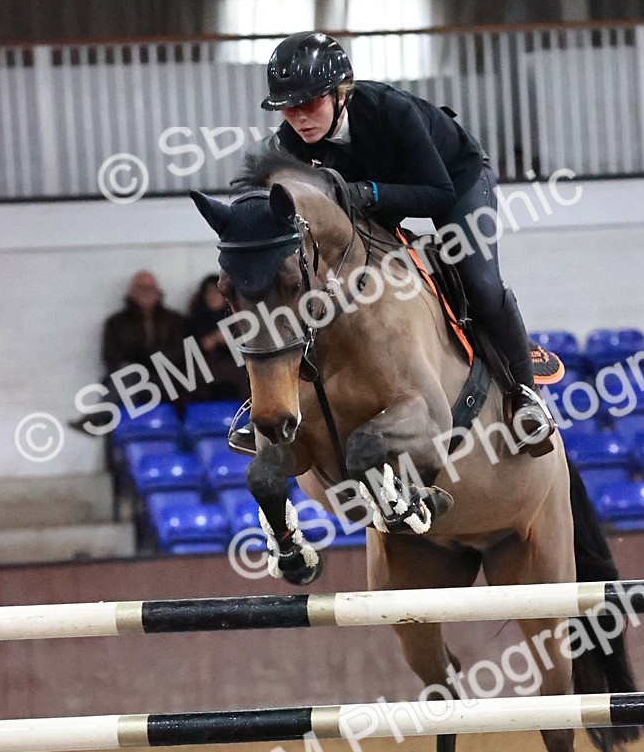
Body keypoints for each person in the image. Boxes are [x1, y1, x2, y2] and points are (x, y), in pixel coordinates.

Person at [246, 30, 560, 450]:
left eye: (309, 103)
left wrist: (368, 193)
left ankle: (525, 396)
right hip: (380, 200)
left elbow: (438, 194)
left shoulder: (390, 111)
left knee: (480, 282)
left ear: (341, 93)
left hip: (455, 180)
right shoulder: (290, 145)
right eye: (287, 109)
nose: (299, 117)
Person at [69, 271, 190, 433]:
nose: (146, 291)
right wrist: (138, 360)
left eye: (150, 287)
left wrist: (148, 356)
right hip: (130, 379)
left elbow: (180, 354)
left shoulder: (175, 320)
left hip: (165, 381)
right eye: (141, 287)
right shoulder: (115, 323)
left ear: (158, 291)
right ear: (131, 291)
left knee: (124, 383)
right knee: (126, 376)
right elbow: (111, 358)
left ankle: (101, 416)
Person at [186, 273, 249, 402]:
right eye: (209, 292)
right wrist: (213, 340)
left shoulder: (239, 320)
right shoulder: (194, 320)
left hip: (236, 368)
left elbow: (248, 349)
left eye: (217, 292)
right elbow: (190, 351)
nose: (213, 296)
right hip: (204, 370)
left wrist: (230, 340)